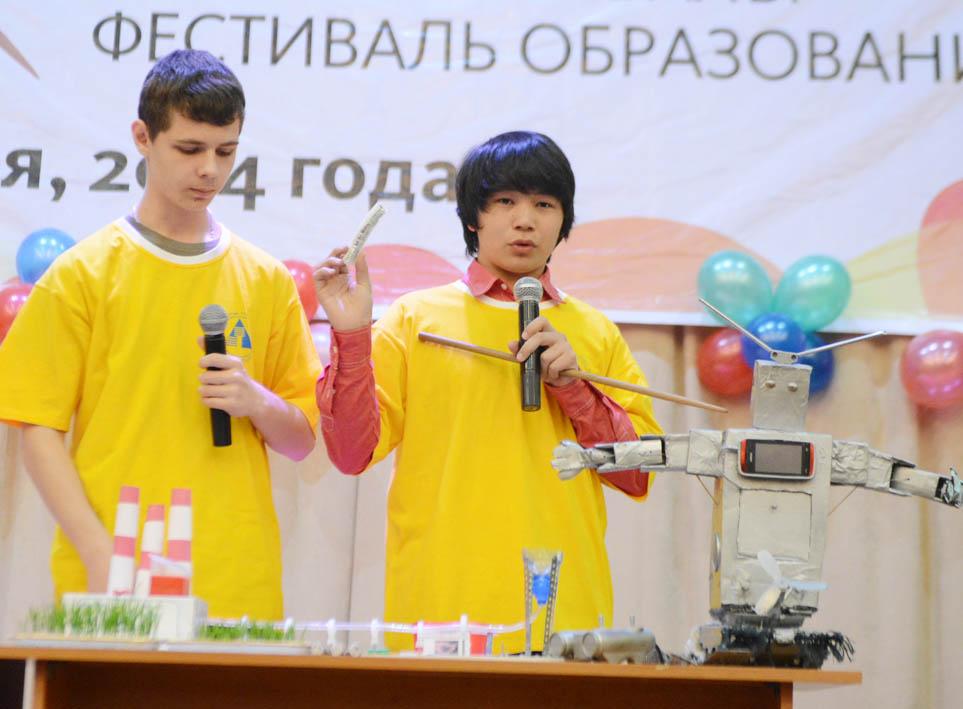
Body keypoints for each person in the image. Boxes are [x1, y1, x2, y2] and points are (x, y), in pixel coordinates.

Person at [0, 49, 321, 620]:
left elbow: (301, 440)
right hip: (113, 573)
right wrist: (97, 552)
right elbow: (38, 429)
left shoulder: (265, 279)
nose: (210, 170)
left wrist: (257, 401)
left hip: (235, 581)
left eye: (225, 151)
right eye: (190, 149)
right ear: (143, 137)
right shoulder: (81, 274)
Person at [314, 131, 662, 651]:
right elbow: (350, 453)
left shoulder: (595, 331)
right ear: (472, 217)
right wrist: (350, 334)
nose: (525, 220)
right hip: (439, 613)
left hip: (564, 617)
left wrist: (576, 392)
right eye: (504, 202)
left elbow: (638, 474)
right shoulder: (414, 317)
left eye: (544, 204)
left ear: (563, 220)